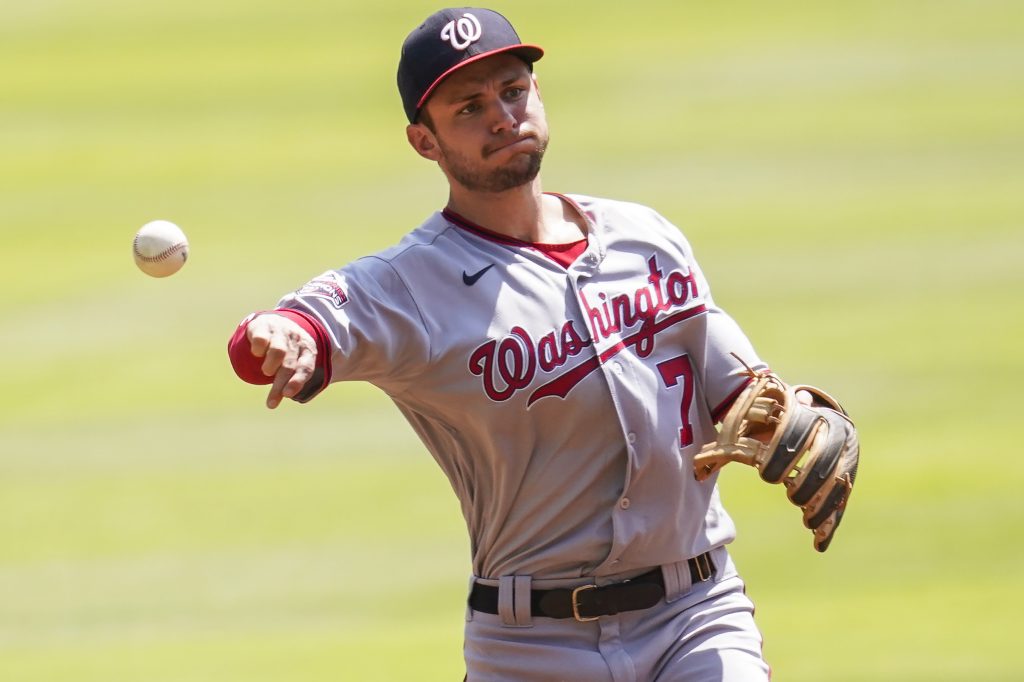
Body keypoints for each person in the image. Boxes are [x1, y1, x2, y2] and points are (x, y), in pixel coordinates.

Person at [228, 8, 781, 680]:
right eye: (468, 107)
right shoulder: (412, 283)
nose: (501, 116)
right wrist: (282, 336)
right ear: (423, 142)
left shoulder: (647, 237)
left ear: (538, 96)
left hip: (694, 616)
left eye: (513, 91)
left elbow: (744, 389)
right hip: (531, 649)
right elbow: (313, 319)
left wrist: (797, 416)